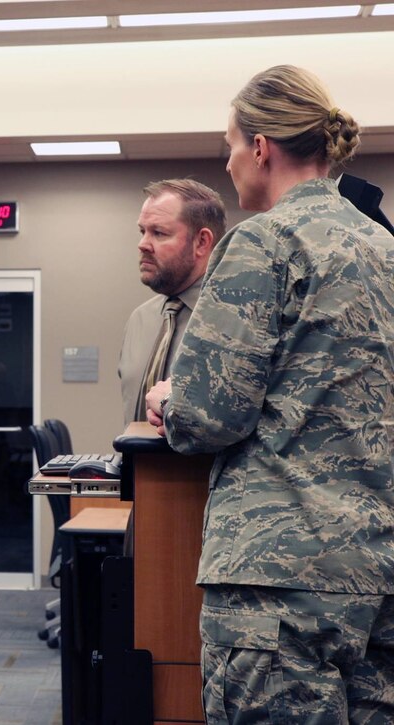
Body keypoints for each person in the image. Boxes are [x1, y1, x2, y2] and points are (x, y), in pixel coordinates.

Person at [147, 65, 394, 722]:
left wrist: (171, 398)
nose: (228, 164)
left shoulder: (263, 241)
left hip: (276, 585)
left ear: (261, 147)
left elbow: (206, 418)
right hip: (377, 576)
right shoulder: (384, 246)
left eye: (230, 146)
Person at [118, 178, 226, 424]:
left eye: (159, 233)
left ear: (202, 242)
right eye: (142, 231)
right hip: (136, 462)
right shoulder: (140, 320)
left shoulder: (231, 318)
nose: (143, 244)